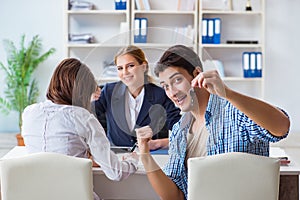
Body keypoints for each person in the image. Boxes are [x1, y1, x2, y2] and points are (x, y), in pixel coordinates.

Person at [136, 45, 290, 200]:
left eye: (177, 80)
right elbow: (175, 196)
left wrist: (228, 93)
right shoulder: (179, 130)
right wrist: (145, 155)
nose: (172, 93)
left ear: (197, 74)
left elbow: (282, 127)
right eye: (165, 86)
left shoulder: (235, 112)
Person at [22, 58, 139, 200]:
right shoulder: (83, 117)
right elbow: (115, 172)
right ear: (82, 91)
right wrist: (133, 160)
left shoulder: (29, 112)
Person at [93, 45, 181, 150]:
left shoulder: (160, 95)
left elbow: (179, 130)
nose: (125, 72)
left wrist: (159, 143)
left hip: (148, 156)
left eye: (130, 66)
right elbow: (87, 117)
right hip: (115, 157)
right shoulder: (109, 91)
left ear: (143, 67)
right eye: (120, 68)